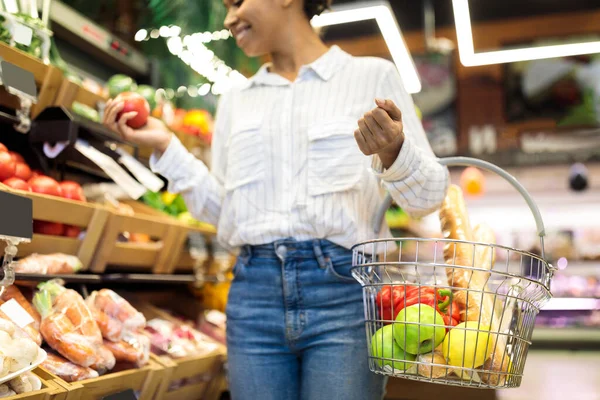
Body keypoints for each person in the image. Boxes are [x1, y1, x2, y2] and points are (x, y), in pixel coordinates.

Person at [103, 0, 449, 398]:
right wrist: (166, 145)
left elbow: (427, 199)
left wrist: (393, 151)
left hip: (344, 295)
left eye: (236, 3)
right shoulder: (236, 99)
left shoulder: (372, 77)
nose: (229, 18)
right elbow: (225, 213)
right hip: (254, 294)